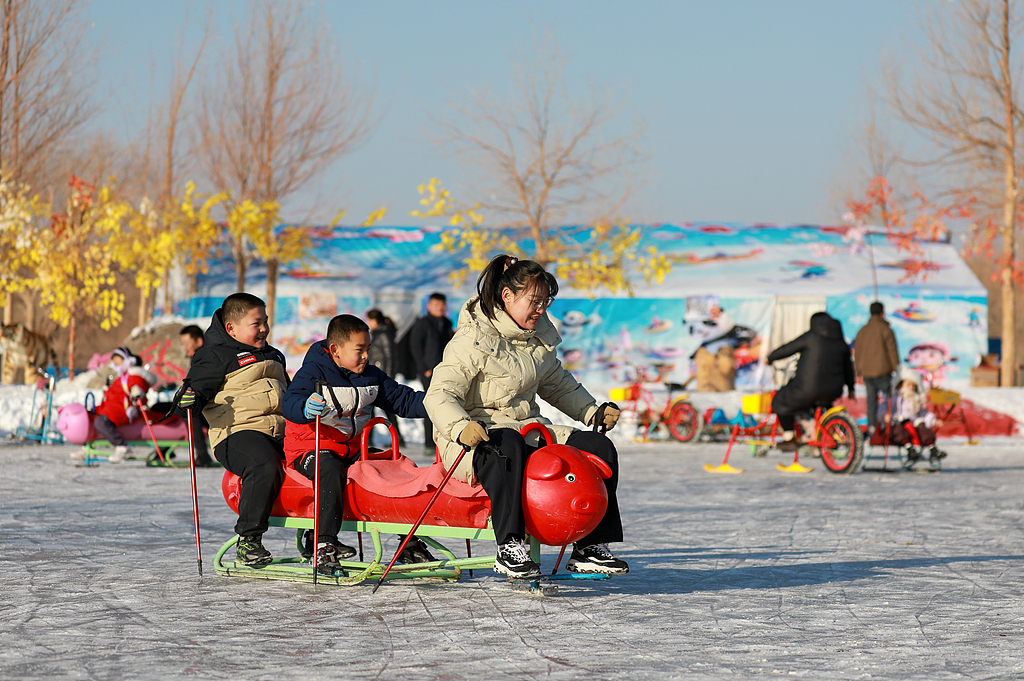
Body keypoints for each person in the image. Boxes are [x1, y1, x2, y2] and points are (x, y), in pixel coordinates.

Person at [424, 254, 628, 579]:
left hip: (528, 430)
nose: (540, 310)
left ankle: (590, 545)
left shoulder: (537, 337)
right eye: (534, 302)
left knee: (598, 448)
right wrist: (461, 427)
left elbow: (556, 383)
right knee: (507, 444)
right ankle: (510, 546)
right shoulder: (472, 338)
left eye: (545, 303)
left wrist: (592, 410)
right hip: (476, 439)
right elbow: (440, 394)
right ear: (507, 297)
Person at [282, 314, 431, 575]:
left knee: (398, 466)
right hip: (311, 446)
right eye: (359, 350)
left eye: (368, 350)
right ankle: (323, 543)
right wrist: (304, 407)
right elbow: (290, 402)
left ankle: (408, 542)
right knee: (328, 469)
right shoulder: (313, 372)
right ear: (336, 350)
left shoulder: (371, 375)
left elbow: (402, 400)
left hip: (351, 448)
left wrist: (437, 403)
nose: (365, 357)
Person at [173, 293, 288, 567]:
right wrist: (188, 399)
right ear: (231, 328)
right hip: (237, 433)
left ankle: (318, 537)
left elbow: (291, 394)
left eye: (266, 322)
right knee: (263, 463)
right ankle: (248, 540)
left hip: (280, 430)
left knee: (320, 458)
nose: (264, 329)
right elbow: (191, 395)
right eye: (256, 323)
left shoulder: (274, 355)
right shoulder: (214, 356)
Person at [767, 312, 855, 452]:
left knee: (779, 401)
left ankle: (789, 437)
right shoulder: (841, 342)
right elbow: (848, 367)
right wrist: (851, 388)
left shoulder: (811, 337)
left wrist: (771, 357)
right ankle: (819, 433)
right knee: (820, 403)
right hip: (833, 390)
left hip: (807, 389)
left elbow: (788, 348)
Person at [70, 346, 157, 463]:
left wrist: (137, 391)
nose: (116, 365)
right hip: (110, 409)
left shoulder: (132, 375)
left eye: (119, 361)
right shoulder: (121, 377)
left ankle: (122, 446)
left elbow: (138, 385)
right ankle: (88, 446)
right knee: (89, 418)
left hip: (121, 410)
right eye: (114, 362)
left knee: (100, 422)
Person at [408, 292, 453, 451]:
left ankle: (444, 441)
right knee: (432, 404)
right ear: (428, 306)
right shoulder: (423, 323)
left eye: (442, 305)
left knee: (447, 404)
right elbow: (415, 346)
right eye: (436, 305)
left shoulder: (447, 323)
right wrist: (423, 368)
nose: (439, 308)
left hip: (446, 370)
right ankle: (429, 442)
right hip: (429, 371)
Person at [854, 302, 899, 436]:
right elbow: (892, 351)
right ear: (882, 313)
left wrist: (859, 370)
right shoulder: (886, 330)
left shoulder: (862, 330)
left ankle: (872, 428)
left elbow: (858, 353)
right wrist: (897, 368)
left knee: (871, 402)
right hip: (883, 372)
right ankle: (889, 426)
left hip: (867, 373)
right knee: (890, 400)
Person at [173, 324, 213, 467]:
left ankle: (203, 455)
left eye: (187, 344)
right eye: (182, 344)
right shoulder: (197, 358)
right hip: (205, 405)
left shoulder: (205, 358)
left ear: (199, 342)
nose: (185, 347)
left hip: (212, 407)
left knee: (189, 412)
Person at [366, 309, 406, 448]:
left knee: (386, 409)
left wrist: (388, 377)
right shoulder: (378, 333)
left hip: (381, 377)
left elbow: (390, 356)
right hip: (376, 376)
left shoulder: (383, 334)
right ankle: (369, 440)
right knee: (371, 409)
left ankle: (398, 438)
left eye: (369, 320)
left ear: (375, 320)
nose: (368, 323)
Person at [880, 375, 944, 458]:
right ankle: (910, 449)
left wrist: (934, 421)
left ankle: (933, 449)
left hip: (914, 424)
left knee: (924, 430)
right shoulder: (895, 399)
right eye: (908, 385)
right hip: (898, 424)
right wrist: (885, 416)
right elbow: (884, 408)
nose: (912, 387)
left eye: (913, 385)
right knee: (899, 431)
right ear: (900, 385)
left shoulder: (916, 399)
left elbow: (923, 414)